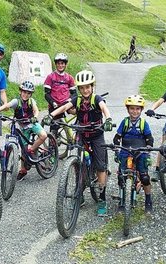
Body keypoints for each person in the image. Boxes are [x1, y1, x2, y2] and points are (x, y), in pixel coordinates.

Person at [43, 70, 113, 216]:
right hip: (81, 133)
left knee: (100, 166)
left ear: (92, 87)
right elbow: (64, 107)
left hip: (96, 135)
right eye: (82, 88)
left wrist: (108, 119)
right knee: (76, 161)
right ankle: (79, 191)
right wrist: (51, 115)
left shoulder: (96, 98)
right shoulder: (77, 99)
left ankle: (102, 198)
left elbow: (104, 109)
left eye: (87, 87)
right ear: (79, 89)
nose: (85, 90)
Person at [0, 81, 47, 180]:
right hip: (22, 126)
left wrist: (35, 117)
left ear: (31, 94)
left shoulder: (31, 101)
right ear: (20, 91)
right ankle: (23, 170)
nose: (26, 94)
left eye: (28, 93)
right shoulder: (16, 101)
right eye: (24, 92)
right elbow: (7, 106)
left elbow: (36, 110)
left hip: (32, 123)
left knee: (43, 135)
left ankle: (32, 149)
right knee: (23, 148)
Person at [114, 95, 154, 213]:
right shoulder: (124, 122)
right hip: (125, 150)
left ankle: (148, 199)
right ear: (128, 109)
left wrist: (148, 147)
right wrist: (116, 144)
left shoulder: (143, 123)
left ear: (141, 110)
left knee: (145, 177)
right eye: (132, 108)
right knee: (121, 176)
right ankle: (122, 200)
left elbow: (149, 138)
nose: (134, 111)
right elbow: (117, 137)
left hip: (140, 151)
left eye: (137, 109)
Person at [43, 53, 76, 135]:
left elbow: (74, 94)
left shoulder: (69, 78)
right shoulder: (50, 77)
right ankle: (52, 144)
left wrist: (69, 100)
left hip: (66, 104)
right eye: (58, 63)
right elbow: (46, 94)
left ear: (65, 65)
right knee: (54, 126)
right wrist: (53, 103)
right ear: (56, 64)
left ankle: (76, 136)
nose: (60, 65)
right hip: (55, 105)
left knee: (80, 113)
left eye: (62, 63)